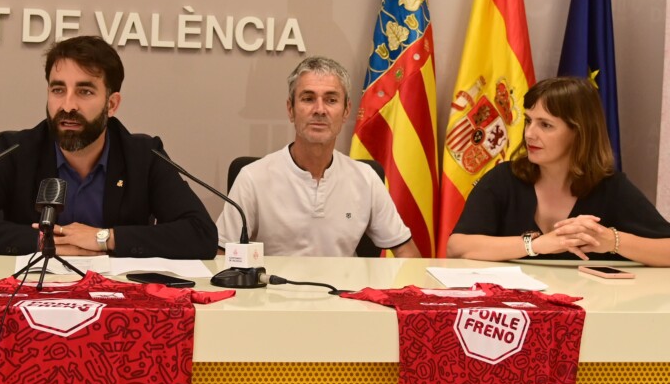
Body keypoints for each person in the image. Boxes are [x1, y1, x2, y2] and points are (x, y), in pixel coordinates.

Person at [0, 35, 217, 258]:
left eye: (85, 91)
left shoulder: (143, 155)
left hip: (118, 302)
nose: (67, 105)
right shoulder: (16, 150)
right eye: (58, 90)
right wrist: (44, 241)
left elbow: (201, 235)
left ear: (112, 103)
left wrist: (104, 238)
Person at [447, 76, 670, 265]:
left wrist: (612, 240)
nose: (529, 134)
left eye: (546, 125)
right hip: (513, 310)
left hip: (588, 309)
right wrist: (536, 245)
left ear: (579, 132)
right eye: (528, 121)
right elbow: (457, 246)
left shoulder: (610, 187)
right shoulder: (503, 178)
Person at [217, 56, 420, 257]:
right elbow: (220, 255)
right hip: (272, 288)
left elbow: (405, 252)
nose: (320, 110)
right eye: (308, 99)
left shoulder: (366, 178)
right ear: (291, 110)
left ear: (346, 110)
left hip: (343, 288)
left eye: (331, 100)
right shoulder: (252, 178)